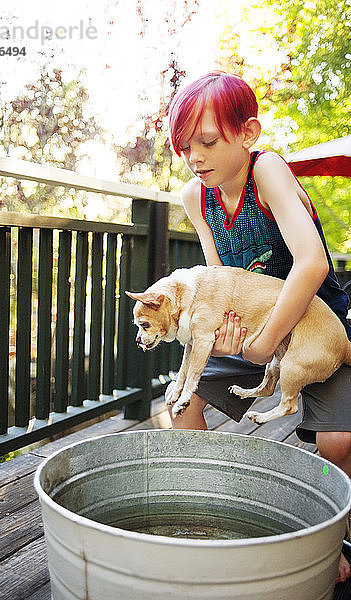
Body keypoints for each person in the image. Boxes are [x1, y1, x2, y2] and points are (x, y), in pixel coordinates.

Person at [167, 70, 351, 583]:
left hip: (313, 322)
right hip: (247, 330)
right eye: (185, 147)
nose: (195, 157)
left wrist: (268, 341)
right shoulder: (194, 196)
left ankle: (331, 539)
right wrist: (225, 332)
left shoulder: (267, 170)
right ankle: (212, 512)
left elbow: (312, 262)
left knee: (337, 442)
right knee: (180, 404)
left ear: (248, 134)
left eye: (206, 142)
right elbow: (211, 276)